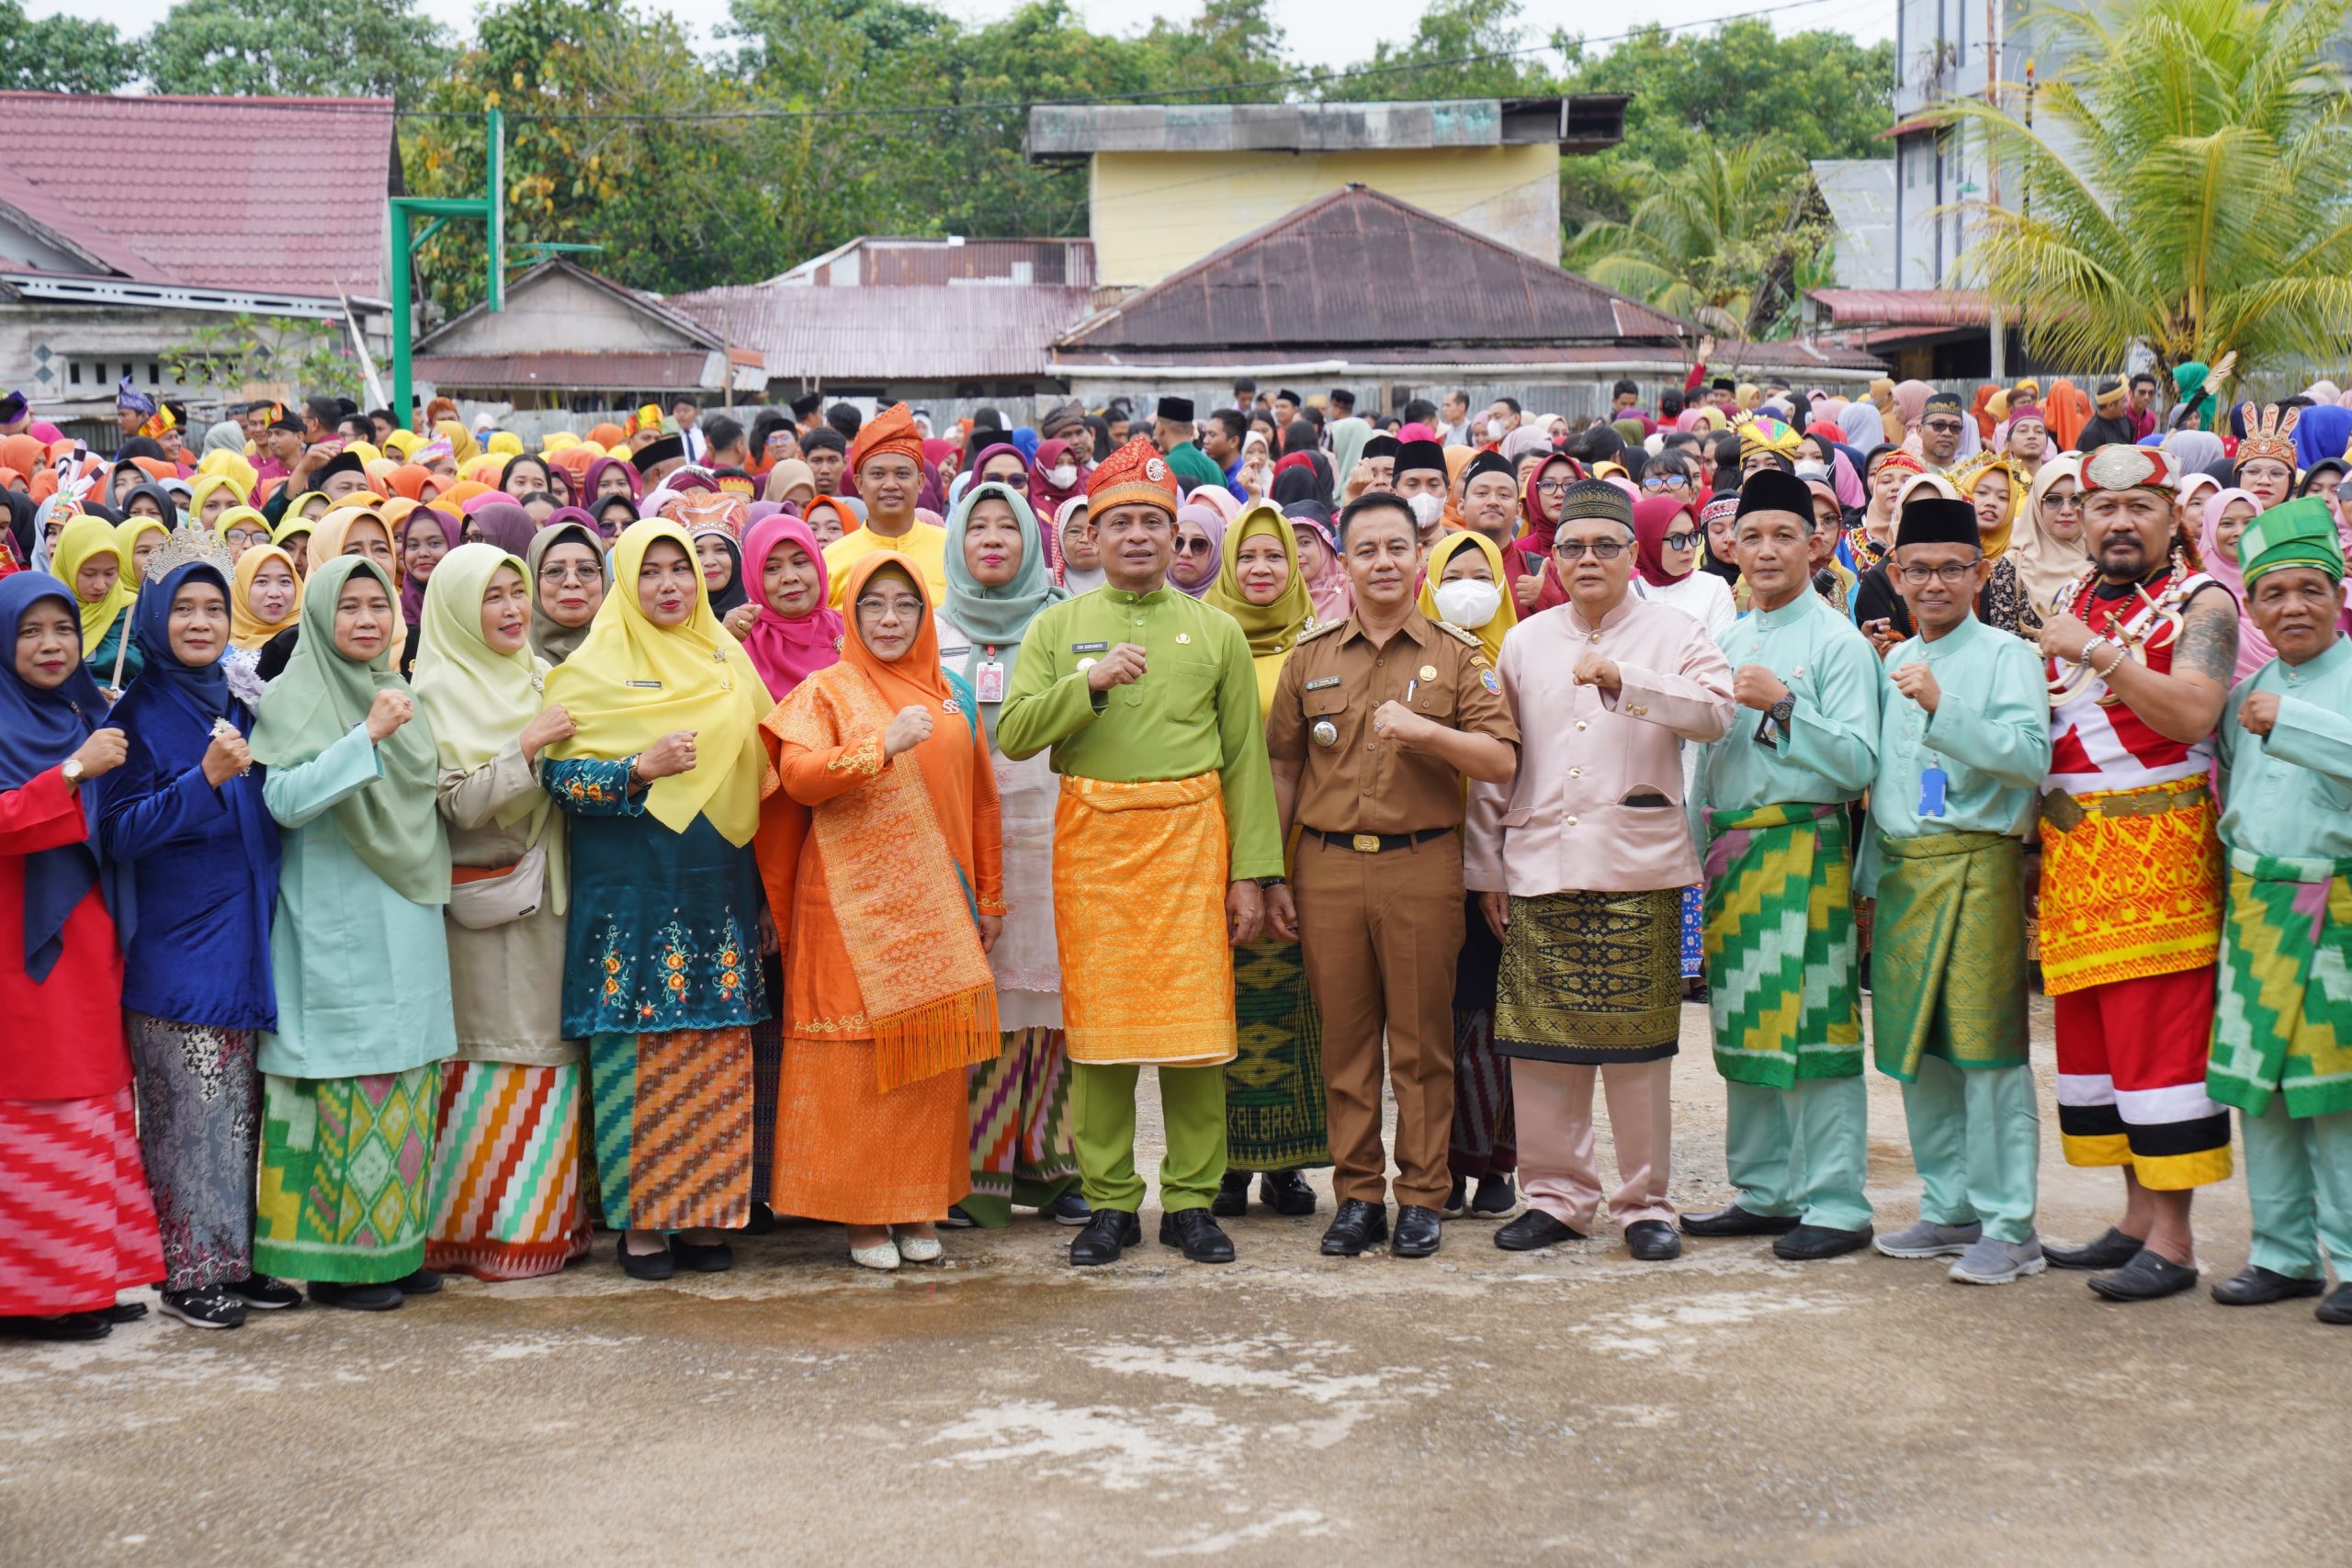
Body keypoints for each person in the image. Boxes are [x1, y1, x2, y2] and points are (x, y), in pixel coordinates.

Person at [996, 439, 1283, 1267]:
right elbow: (1014, 732)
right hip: (1095, 846)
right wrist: (1086, 686)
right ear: (1088, 530)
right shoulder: (1057, 627)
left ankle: (1192, 1199)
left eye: (1153, 524)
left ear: (1177, 534)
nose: (1136, 537)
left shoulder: (1214, 631)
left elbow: (1245, 764)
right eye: (1118, 522)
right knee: (1100, 1038)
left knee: (1196, 1034)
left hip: (1192, 842)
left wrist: (1251, 874)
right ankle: (1112, 1202)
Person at [1466, 479, 1730, 1260]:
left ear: (1629, 554)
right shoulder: (1525, 639)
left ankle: (1644, 1203)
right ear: (1553, 555)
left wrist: (1627, 683)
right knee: (1541, 1043)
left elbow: (1716, 711)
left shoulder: (1673, 631)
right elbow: (1497, 766)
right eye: (1572, 546)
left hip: (1638, 863)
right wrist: (1488, 869)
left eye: (1605, 546)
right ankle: (1556, 1197)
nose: (1588, 559)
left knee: (1640, 1047)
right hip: (1539, 862)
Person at [1257, 491, 1520, 1261]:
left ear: (1418, 558)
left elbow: (1501, 758)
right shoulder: (1312, 655)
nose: (1382, 562)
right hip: (1327, 866)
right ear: (1344, 561)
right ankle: (1358, 1195)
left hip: (1420, 864)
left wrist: (1430, 733)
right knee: (1345, 1044)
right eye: (1365, 549)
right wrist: (1270, 872)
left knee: (1420, 1044)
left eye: (1396, 548)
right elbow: (1282, 767)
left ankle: (1422, 1196)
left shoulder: (1458, 654)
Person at [542, 520, 773, 1282]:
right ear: (625, 582)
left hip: (720, 883)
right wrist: (636, 768)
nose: (670, 584)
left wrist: (770, 894)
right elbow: (558, 779)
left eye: (682, 569)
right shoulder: (586, 671)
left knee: (714, 1054)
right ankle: (643, 1224)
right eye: (651, 571)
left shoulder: (731, 660)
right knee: (635, 1056)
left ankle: (705, 1213)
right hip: (630, 894)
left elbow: (769, 776)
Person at [2032, 445, 2236, 1302]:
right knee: (2097, 1054)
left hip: (2163, 854)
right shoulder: (2074, 597)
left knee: (2160, 1048)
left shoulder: (2205, 600)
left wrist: (2105, 657)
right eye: (2100, 507)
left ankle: (2178, 1242)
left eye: (2139, 508)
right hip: (2075, 857)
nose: (2117, 522)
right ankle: (2133, 1220)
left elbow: (2193, 708)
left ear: (2175, 518)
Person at [760, 556, 1003, 1269]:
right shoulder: (825, 691)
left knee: (928, 1056)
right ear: (853, 616)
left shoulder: (953, 694)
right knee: (858, 1061)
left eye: (906, 606)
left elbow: (982, 800)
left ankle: (917, 1204)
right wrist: (880, 746)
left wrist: (989, 894)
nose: (891, 620)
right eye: (875, 607)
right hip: (846, 903)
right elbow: (798, 779)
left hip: (940, 900)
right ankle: (863, 1219)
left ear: (927, 616)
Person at [96, 537, 297, 1329]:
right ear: (154, 617)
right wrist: (201, 781)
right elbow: (117, 832)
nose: (202, 621)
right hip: (178, 942)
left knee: (238, 1105)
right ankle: (188, 1272)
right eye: (183, 607)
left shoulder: (242, 695)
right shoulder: (137, 713)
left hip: (247, 929)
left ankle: (233, 1260)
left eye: (215, 607)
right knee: (189, 1109)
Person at [248, 556, 456, 1310]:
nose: (367, 620)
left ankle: (393, 1250)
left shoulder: (396, 690)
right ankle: (336, 1268)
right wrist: (363, 737)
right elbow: (283, 798)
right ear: (319, 615)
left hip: (403, 903)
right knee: (344, 1084)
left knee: (402, 1080)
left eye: (379, 606)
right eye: (350, 606)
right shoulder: (296, 693)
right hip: (333, 911)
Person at [1686, 469, 1883, 1259]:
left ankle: (1836, 1202)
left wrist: (1784, 705)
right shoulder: (1727, 639)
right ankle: (1765, 1189)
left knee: (1817, 1031)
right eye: (1752, 536)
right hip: (1735, 851)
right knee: (1745, 1027)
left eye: (1783, 536)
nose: (1765, 551)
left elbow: (1861, 762)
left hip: (1808, 847)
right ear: (1729, 546)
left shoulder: (1837, 640)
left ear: (1817, 544)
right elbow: (1705, 762)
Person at [1862, 496, 2054, 1286]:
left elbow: (2029, 758)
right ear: (1895, 576)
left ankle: (2013, 1224)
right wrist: (1866, 883)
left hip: (1977, 865)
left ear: (1980, 573)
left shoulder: (2009, 655)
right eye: (1918, 570)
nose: (1934, 583)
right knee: (1919, 1053)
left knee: (1988, 1050)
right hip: (1904, 871)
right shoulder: (1888, 659)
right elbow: (1879, 781)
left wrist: (1946, 707)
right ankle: (1950, 1208)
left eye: (1951, 568)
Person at [409, 543, 590, 1282]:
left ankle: (540, 1229)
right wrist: (526, 749)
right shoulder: (432, 694)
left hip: (551, 899)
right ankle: (471, 1232)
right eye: (494, 596)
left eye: (519, 592)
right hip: (483, 906)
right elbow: (452, 804)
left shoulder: (546, 678)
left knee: (544, 1050)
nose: (514, 608)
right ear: (455, 607)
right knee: (487, 1049)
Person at [2204, 498, 2352, 1325]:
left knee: (2336, 1096)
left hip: (2337, 899)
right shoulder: (2248, 688)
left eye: (2310, 588)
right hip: (2257, 904)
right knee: (2261, 1090)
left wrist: (2293, 723)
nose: (2292, 605)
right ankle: (2282, 1253)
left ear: (2338, 593)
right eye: (2273, 593)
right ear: (2251, 603)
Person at [0, 575, 159, 1341]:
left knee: (93, 1100)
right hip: (19, 945)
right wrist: (70, 772)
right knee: (36, 1107)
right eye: (31, 630)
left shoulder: (84, 710)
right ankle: (29, 1297)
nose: (52, 644)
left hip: (90, 934)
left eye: (63, 627)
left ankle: (86, 1276)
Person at [931, 483, 1086, 1230]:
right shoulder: (932, 628)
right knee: (980, 1007)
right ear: (956, 539)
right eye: (977, 526)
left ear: (1032, 538)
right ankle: (971, 1174)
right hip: (963, 833)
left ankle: (1056, 1167)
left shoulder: (1061, 623)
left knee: (1054, 1009)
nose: (992, 539)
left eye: (1009, 527)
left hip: (1053, 830)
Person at [1202, 503, 1331, 1217]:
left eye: (1274, 557)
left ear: (1296, 565)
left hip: (1300, 851)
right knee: (1222, 1002)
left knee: (1300, 1005)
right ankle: (1225, 1162)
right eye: (1246, 557)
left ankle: (1290, 1164)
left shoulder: (1319, 645)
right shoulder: (1203, 640)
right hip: (1213, 849)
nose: (1260, 570)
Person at [823, 404, 948, 605]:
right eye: (878, 474)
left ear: (920, 483)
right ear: (860, 484)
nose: (890, 485)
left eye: (902, 474)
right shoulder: (831, 560)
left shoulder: (952, 552)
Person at [51, 513, 141, 689]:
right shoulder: (44, 613)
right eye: (89, 574)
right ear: (67, 566)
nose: (100, 585)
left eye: (110, 573)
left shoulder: (135, 611)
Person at [526, 511, 610, 666]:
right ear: (534, 581)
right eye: (555, 571)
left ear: (604, 579)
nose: (571, 582)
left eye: (586, 570)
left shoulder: (633, 649)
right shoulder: (513, 656)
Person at [2233, 403, 2301, 513]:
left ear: (2291, 480)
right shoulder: (2220, 524)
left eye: (2277, 474)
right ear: (2238, 476)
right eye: (2253, 472)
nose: (2264, 481)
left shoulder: (2304, 525)